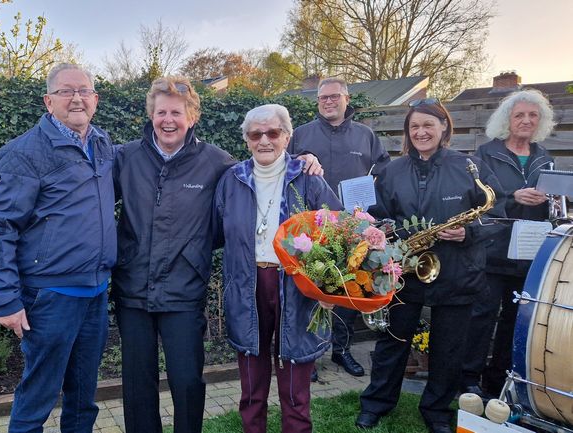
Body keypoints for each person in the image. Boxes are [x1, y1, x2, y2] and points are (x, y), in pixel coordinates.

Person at [111, 77, 324, 433]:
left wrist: (304, 160)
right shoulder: (125, 157)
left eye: (176, 112)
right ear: (150, 115)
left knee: (187, 382)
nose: (168, 119)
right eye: (160, 111)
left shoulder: (216, 163)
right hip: (133, 287)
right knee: (137, 384)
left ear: (191, 117)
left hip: (183, 289)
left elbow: (260, 174)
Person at [355, 99, 504, 433]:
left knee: (448, 348)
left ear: (444, 127)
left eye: (428, 125)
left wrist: (469, 232)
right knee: (393, 341)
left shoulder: (471, 168)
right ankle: (376, 403)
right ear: (408, 133)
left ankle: (437, 409)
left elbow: (498, 214)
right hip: (406, 270)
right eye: (414, 127)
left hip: (457, 272)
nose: (421, 132)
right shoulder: (391, 170)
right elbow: (378, 215)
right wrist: (384, 230)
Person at [0, 63, 116, 433]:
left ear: (95, 99)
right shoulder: (26, 153)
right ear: (48, 101)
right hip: (50, 294)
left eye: (84, 91)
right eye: (66, 91)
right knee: (39, 393)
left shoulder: (103, 145)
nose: (76, 98)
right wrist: (6, 300)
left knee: (83, 396)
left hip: (96, 291)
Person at [213, 104, 342, 433]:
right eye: (256, 134)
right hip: (248, 285)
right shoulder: (232, 179)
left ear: (287, 136)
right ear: (247, 140)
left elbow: (338, 233)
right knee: (252, 383)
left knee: (295, 381)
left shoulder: (308, 178)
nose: (265, 140)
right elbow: (214, 231)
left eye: (273, 133)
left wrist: (330, 287)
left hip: (297, 289)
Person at [287, 77, 391, 379]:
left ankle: (342, 349)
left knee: (347, 286)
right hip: (310, 226)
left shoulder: (365, 135)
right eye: (322, 98)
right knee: (310, 289)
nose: (328, 102)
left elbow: (382, 170)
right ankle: (311, 354)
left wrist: (375, 186)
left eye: (333, 97)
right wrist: (300, 158)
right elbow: (284, 166)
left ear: (346, 99)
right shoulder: (301, 134)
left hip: (348, 225)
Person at [460, 89, 556, 397]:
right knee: (481, 317)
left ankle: (499, 380)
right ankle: (468, 379)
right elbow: (474, 196)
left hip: (530, 255)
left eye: (532, 116)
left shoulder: (546, 158)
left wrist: (552, 200)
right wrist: (510, 197)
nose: (526, 121)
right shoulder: (486, 154)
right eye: (519, 115)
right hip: (493, 250)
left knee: (515, 321)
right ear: (507, 120)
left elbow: (556, 208)